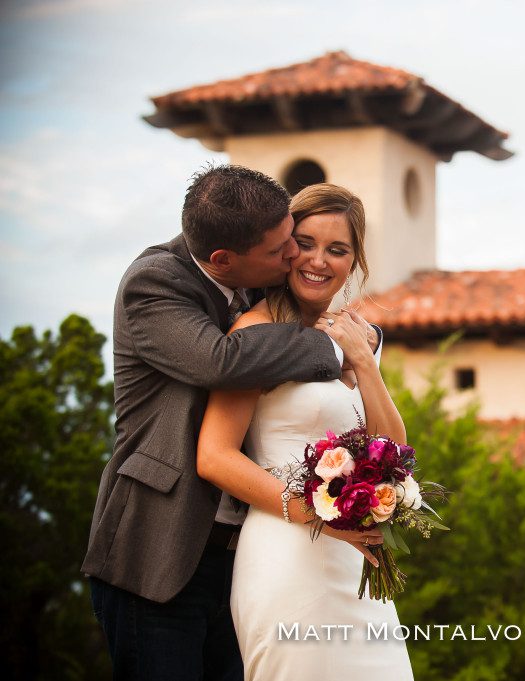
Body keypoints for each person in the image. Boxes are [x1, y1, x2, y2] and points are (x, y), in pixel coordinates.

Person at [82, 165, 384, 681]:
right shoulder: (155, 281)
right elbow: (222, 362)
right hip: (160, 549)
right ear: (224, 260)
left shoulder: (250, 281)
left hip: (249, 551)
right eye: (283, 249)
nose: (295, 256)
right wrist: (344, 346)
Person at [196, 183, 415, 679]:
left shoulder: (361, 337)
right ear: (284, 248)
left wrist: (363, 358)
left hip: (354, 561)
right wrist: (320, 517)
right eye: (306, 243)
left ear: (355, 261)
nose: (318, 260)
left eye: (337, 249)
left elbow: (393, 451)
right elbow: (214, 455)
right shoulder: (252, 334)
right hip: (285, 554)